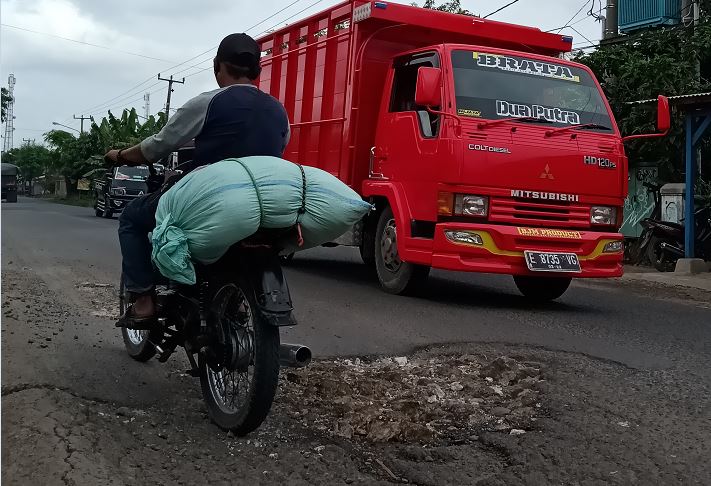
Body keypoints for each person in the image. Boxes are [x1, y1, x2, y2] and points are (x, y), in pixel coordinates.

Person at [106, 33, 290, 329]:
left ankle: (143, 301)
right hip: (262, 200)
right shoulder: (278, 111)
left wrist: (120, 155)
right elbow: (278, 150)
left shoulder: (209, 102)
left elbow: (157, 146)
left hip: (209, 198)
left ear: (218, 66)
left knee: (130, 218)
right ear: (257, 70)